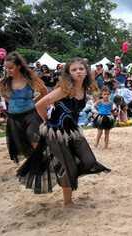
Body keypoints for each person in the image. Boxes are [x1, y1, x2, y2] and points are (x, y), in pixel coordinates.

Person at [24, 57, 110, 206]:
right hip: (56, 132)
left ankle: (66, 168)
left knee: (89, 160)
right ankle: (68, 201)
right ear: (68, 73)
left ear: (86, 71)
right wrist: (46, 121)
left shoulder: (84, 88)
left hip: (73, 131)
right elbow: (39, 105)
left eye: (81, 69)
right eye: (74, 69)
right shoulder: (64, 90)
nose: (78, 72)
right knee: (67, 166)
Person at [0, 51, 47, 163]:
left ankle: (41, 161)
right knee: (22, 144)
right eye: (6, 68)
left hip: (30, 115)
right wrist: (13, 103)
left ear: (19, 66)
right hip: (14, 118)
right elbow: (3, 95)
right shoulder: (5, 82)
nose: (8, 70)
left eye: (11, 68)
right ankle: (34, 162)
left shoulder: (30, 79)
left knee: (33, 136)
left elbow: (44, 91)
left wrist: (34, 102)